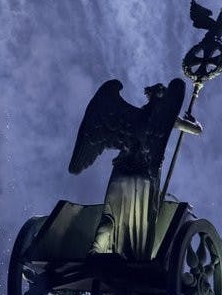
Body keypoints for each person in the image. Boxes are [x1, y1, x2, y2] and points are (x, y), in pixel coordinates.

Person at [69, 79, 201, 258]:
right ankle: (135, 257)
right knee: (141, 221)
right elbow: (197, 130)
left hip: (120, 171)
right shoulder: (164, 116)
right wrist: (193, 121)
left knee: (110, 217)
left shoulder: (128, 115)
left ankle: (95, 250)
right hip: (144, 173)